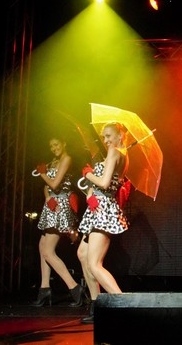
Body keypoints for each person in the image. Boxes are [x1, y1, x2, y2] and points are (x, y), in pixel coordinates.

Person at [76, 122, 131, 323]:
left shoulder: (115, 152)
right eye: (104, 136)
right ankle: (96, 305)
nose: (105, 140)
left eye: (108, 135)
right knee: (82, 254)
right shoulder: (119, 153)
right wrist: (90, 192)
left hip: (103, 209)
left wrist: (88, 174)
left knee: (94, 263)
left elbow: (105, 183)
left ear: (120, 135)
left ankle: (125, 306)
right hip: (97, 206)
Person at [30, 135, 85, 307]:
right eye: (51, 146)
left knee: (48, 251)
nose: (54, 148)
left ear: (64, 143)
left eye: (56, 145)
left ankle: (75, 287)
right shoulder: (53, 161)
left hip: (61, 206)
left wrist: (42, 173)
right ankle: (45, 288)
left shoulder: (67, 159)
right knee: (42, 247)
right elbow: (47, 187)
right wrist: (47, 198)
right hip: (51, 205)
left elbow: (54, 184)